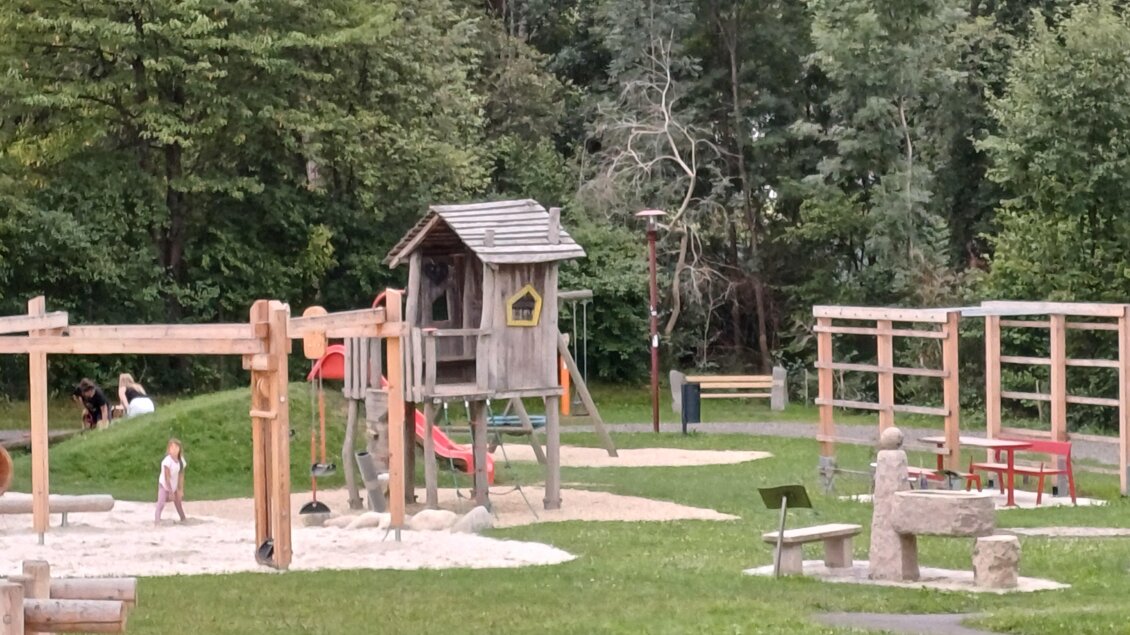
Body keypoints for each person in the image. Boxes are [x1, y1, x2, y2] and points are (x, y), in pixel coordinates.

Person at [155, 438, 187, 525]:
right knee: (161, 503)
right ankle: (157, 520)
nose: (174, 449)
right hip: (164, 484)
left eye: (176, 447)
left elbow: (181, 476)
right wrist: (169, 491)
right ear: (169, 450)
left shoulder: (181, 461)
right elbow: (167, 477)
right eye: (172, 447)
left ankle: (183, 518)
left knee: (178, 502)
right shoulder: (167, 461)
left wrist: (180, 489)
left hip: (174, 484)